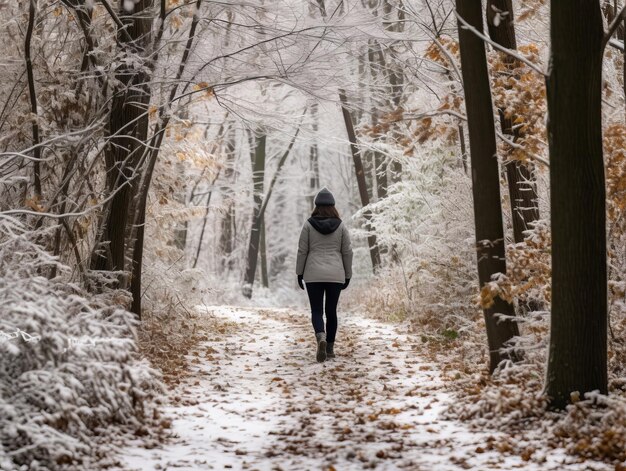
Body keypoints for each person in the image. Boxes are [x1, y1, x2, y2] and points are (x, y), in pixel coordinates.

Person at [296, 187, 353, 363]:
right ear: (333, 206)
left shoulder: (308, 225)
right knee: (331, 311)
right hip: (335, 274)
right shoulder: (341, 226)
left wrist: (299, 273)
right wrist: (347, 275)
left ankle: (320, 336)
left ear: (316, 206)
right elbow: (348, 252)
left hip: (313, 274)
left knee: (316, 310)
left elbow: (302, 251)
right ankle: (329, 348)